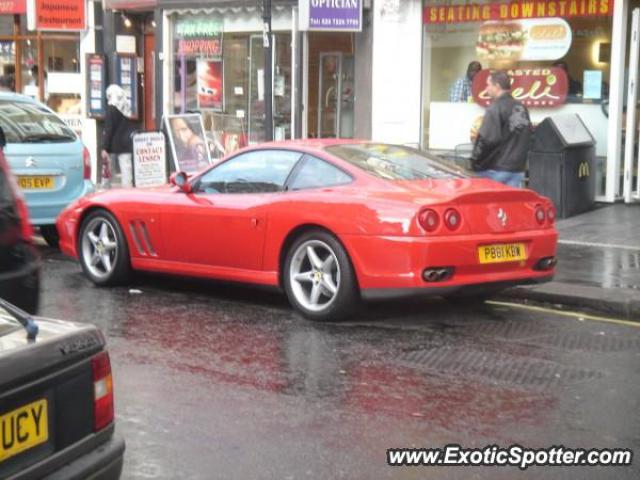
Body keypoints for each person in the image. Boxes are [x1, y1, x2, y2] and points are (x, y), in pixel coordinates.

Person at [470, 70, 531, 188]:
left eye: (488, 84)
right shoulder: (521, 107)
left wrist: (475, 162)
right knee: (511, 205)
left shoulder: (495, 108)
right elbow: (528, 136)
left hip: (495, 169)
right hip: (517, 169)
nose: (486, 88)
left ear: (497, 86)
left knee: (490, 205)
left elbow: (487, 139)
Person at [101, 84, 134, 188]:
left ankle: (105, 189)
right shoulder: (127, 107)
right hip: (126, 143)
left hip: (113, 144)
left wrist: (104, 147)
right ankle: (127, 193)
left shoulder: (111, 108)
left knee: (107, 168)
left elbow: (109, 129)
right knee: (126, 170)